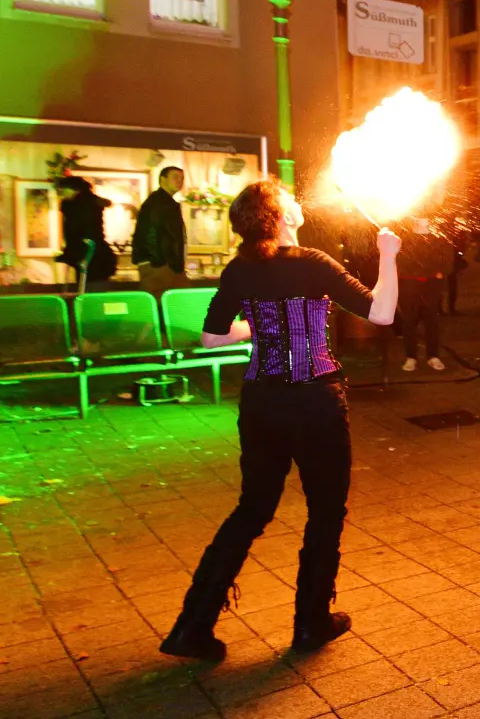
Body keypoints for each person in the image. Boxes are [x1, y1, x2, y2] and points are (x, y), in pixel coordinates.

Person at [160, 179, 399, 661]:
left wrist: (260, 325)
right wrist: (389, 254)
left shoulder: (240, 268)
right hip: (315, 404)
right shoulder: (313, 263)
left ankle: (192, 625)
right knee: (326, 511)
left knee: (252, 509)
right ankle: (310, 622)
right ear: (280, 216)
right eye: (288, 196)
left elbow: (211, 338)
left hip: (262, 403)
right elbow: (382, 313)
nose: (297, 199)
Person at [396, 217, 450, 372]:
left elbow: (446, 254)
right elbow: (397, 257)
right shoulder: (403, 235)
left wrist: (442, 271)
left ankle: (432, 356)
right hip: (409, 283)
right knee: (409, 321)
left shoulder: (438, 233)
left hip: (430, 283)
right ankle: (411, 357)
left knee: (431, 320)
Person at [55, 176, 117, 290]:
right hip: (94, 253)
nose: (60, 193)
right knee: (93, 287)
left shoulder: (77, 207)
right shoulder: (88, 203)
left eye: (62, 189)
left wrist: (70, 252)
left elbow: (77, 232)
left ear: (74, 189)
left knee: (89, 288)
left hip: (88, 253)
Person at [134, 166, 188, 294]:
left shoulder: (164, 202)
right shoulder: (158, 203)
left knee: (176, 302)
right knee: (165, 303)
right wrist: (158, 261)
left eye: (182, 178)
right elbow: (151, 233)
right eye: (175, 177)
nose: (179, 181)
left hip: (167, 264)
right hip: (161, 265)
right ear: (163, 180)